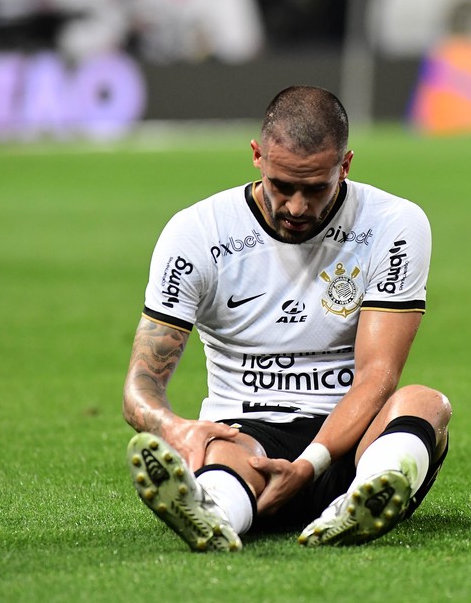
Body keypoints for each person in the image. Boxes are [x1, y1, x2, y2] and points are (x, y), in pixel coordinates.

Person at [122, 85, 452, 552]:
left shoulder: (393, 223)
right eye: (283, 186)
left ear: (346, 165)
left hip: (352, 436)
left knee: (425, 403)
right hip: (246, 430)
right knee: (225, 452)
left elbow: (378, 375)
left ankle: (360, 501)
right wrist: (173, 427)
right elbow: (140, 387)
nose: (297, 207)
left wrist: (310, 464)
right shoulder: (197, 233)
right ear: (257, 156)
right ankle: (213, 514)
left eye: (316, 187)